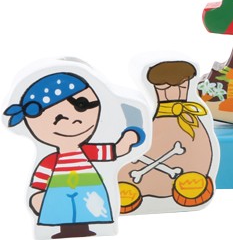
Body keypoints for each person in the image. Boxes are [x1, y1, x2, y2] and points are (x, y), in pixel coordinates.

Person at [4, 72, 142, 238]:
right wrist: (38, 196)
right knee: (63, 210)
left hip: (88, 190)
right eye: (58, 119)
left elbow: (114, 151)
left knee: (87, 208)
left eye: (82, 106)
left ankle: (84, 228)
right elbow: (41, 178)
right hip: (59, 191)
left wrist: (128, 139)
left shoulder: (87, 151)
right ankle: (66, 230)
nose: (74, 122)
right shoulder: (51, 160)